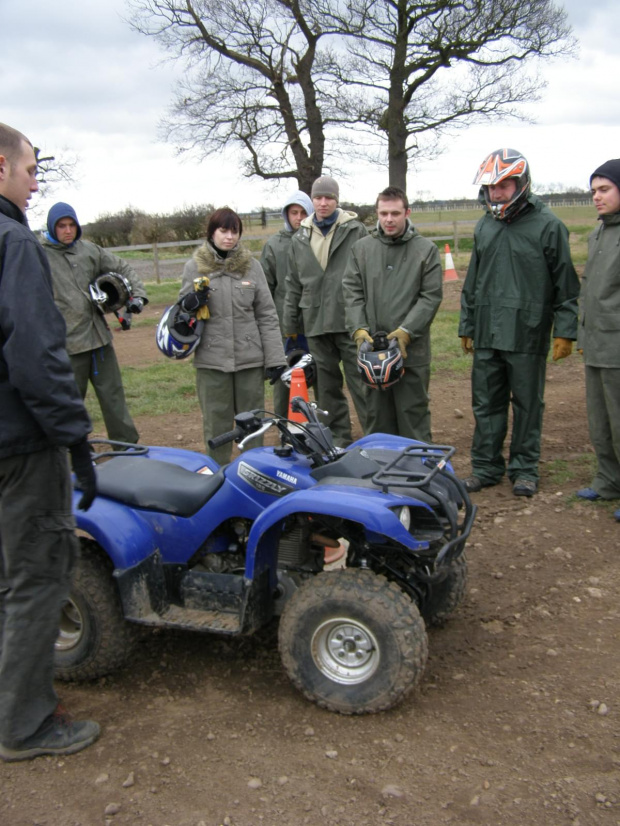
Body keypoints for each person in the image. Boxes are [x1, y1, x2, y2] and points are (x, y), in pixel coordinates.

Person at [0, 123, 99, 761]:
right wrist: (75, 439)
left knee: (8, 575)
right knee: (38, 575)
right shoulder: (15, 244)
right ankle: (25, 723)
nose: (37, 182)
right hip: (19, 446)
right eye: (31, 169)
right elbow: (37, 355)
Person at [458, 148, 579, 497]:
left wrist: (565, 331)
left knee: (527, 404)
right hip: (487, 330)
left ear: (521, 183)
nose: (496, 193)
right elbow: (472, 282)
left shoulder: (549, 225)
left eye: (504, 185)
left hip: (528, 331)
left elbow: (566, 284)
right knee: (486, 403)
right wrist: (467, 324)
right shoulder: (484, 225)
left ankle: (524, 469)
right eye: (491, 186)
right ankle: (486, 467)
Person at [179, 207, 285, 464]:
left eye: (234, 231)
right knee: (217, 424)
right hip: (212, 362)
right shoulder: (194, 267)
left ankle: (254, 473)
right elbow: (180, 317)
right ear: (212, 233)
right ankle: (218, 476)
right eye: (223, 230)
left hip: (250, 361)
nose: (229, 237)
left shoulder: (252, 267)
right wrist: (190, 303)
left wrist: (275, 359)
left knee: (253, 424)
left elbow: (267, 315)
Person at [42, 202, 148, 445]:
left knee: (113, 397)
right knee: (70, 402)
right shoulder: (40, 255)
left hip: (99, 340)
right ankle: (74, 452)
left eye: (71, 225)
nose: (68, 231)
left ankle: (126, 447)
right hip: (66, 345)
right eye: (61, 226)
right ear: (52, 227)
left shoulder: (89, 250)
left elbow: (121, 266)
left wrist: (138, 295)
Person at [343, 186, 443, 441]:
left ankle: (418, 473)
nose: (389, 219)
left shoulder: (426, 250)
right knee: (377, 419)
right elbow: (352, 292)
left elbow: (430, 296)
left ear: (407, 212)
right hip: (372, 351)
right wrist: (358, 330)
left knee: (413, 415)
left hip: (411, 351)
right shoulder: (361, 249)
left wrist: (407, 331)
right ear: (377, 213)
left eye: (395, 213)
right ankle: (380, 473)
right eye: (383, 213)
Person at [283, 176, 368, 447]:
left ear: (336, 200)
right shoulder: (300, 237)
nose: (322, 203)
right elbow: (293, 284)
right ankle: (339, 439)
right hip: (316, 323)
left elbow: (368, 277)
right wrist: (290, 325)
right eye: (318, 198)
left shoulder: (355, 231)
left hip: (349, 322)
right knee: (327, 389)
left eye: (328, 197)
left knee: (362, 385)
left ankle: (374, 439)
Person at [575, 159, 620, 521]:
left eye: (604, 189)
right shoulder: (598, 233)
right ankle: (608, 481)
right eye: (593, 191)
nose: (596, 197)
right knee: (600, 421)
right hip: (596, 343)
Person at [260, 190, 313, 418]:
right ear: (286, 214)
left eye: (303, 212)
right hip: (284, 325)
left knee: (317, 375)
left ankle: (316, 426)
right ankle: (283, 424)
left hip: (313, 323)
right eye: (294, 212)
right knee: (284, 377)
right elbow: (266, 288)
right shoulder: (274, 245)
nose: (298, 217)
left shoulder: (317, 240)